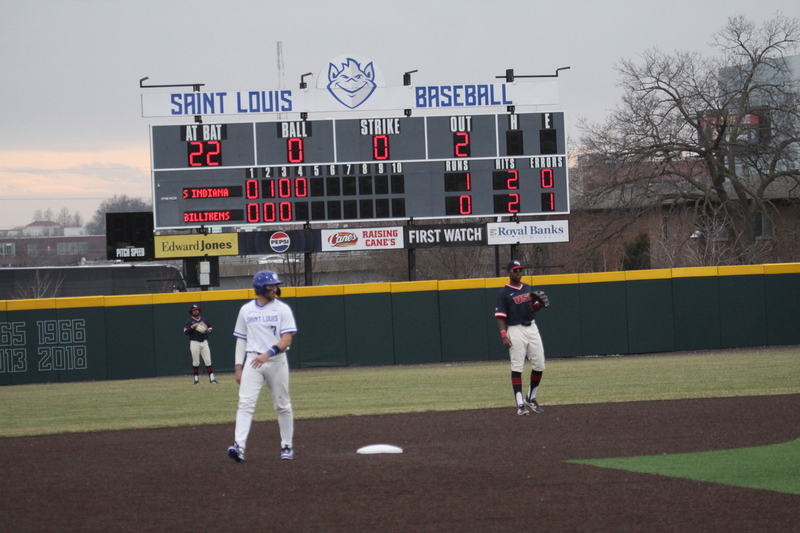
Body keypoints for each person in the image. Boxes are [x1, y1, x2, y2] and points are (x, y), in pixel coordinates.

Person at [227, 270, 297, 463]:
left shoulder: (282, 309)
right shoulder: (246, 310)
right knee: (245, 404)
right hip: (253, 360)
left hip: (276, 361)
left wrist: (268, 353)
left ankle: (286, 445)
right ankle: (239, 446)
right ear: (259, 288)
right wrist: (238, 367)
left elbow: (287, 339)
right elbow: (241, 340)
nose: (274, 288)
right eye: (270, 285)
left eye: (275, 285)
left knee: (282, 404)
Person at [494, 259, 549, 416]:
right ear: (509, 272)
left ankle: (531, 398)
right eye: (515, 270)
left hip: (531, 327)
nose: (519, 273)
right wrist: (504, 336)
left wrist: (539, 306)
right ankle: (519, 404)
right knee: (517, 366)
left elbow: (532, 308)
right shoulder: (503, 294)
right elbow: (500, 317)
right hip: (515, 329)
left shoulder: (527, 287)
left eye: (520, 270)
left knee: (539, 364)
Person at [183, 304, 217, 385]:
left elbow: (210, 328)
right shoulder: (189, 321)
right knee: (196, 362)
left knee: (208, 360)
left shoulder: (204, 320)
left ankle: (212, 379)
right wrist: (192, 327)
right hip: (194, 342)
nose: (196, 311)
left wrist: (208, 331)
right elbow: (186, 332)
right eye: (194, 310)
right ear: (191, 311)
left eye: (197, 310)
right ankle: (196, 380)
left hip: (204, 342)